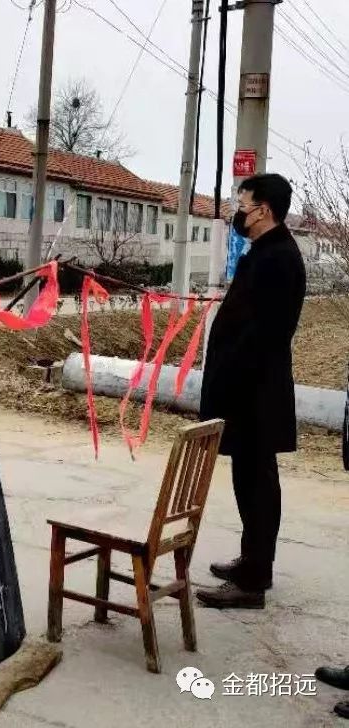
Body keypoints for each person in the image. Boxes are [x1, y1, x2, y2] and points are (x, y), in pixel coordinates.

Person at [197, 173, 306, 610]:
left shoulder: (279, 258)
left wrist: (230, 374)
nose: (237, 213)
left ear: (263, 210)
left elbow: (265, 334)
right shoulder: (265, 251)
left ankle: (254, 580)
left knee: (258, 484)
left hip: (255, 393)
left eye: (242, 206)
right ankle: (252, 562)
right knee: (249, 479)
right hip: (247, 391)